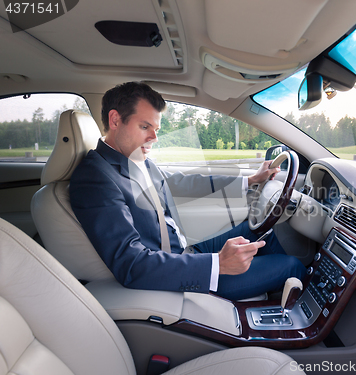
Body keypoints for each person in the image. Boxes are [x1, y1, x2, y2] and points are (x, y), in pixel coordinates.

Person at [70, 82, 305, 300]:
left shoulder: (132, 160)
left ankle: (276, 293)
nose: (154, 137)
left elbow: (182, 182)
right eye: (145, 127)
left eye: (156, 128)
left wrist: (251, 180)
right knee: (292, 265)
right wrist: (218, 264)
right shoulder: (96, 178)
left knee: (264, 230)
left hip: (185, 252)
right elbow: (131, 264)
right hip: (176, 272)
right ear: (115, 120)